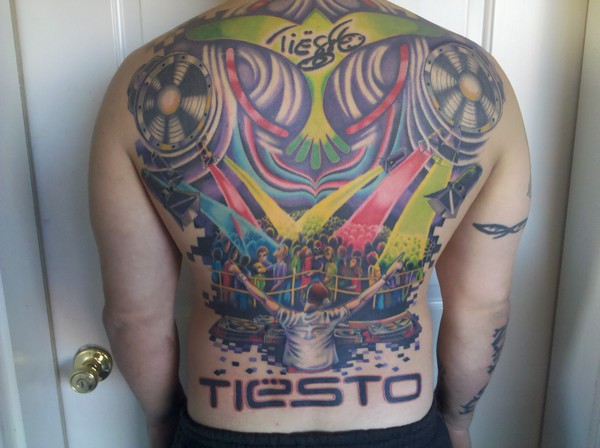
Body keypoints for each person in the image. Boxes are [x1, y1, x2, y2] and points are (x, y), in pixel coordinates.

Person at [89, 1, 530, 447]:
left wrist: (161, 421)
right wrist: (457, 421)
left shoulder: (143, 79)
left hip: (226, 425)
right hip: (399, 424)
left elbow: (134, 317)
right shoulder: (481, 78)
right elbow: (483, 308)